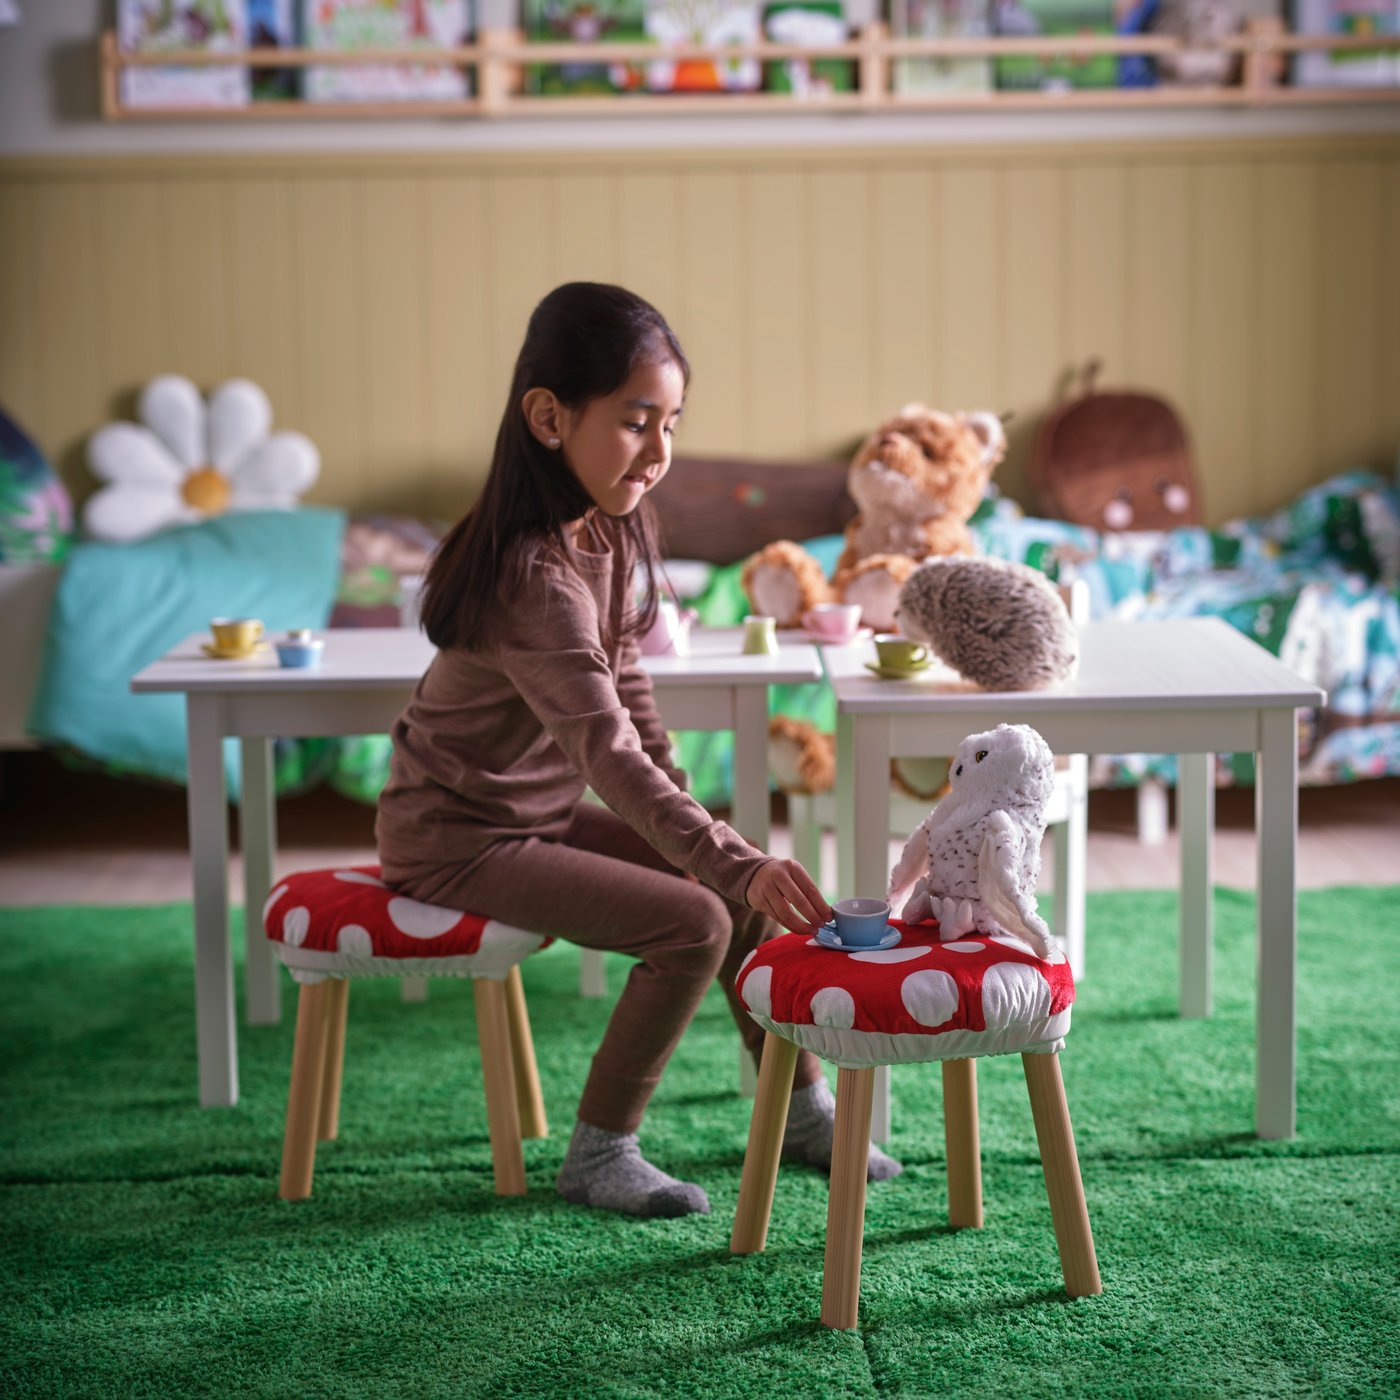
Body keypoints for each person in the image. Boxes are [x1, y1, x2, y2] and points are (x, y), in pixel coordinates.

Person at [376, 282, 901, 1219]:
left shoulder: (612, 524)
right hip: (454, 838)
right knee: (697, 918)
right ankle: (599, 1152)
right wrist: (724, 859)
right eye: (634, 422)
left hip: (529, 817)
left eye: (672, 424)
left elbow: (632, 694)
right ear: (548, 417)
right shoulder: (531, 575)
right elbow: (607, 751)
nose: (660, 454)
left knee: (730, 890)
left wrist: (707, 834)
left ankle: (802, 1113)